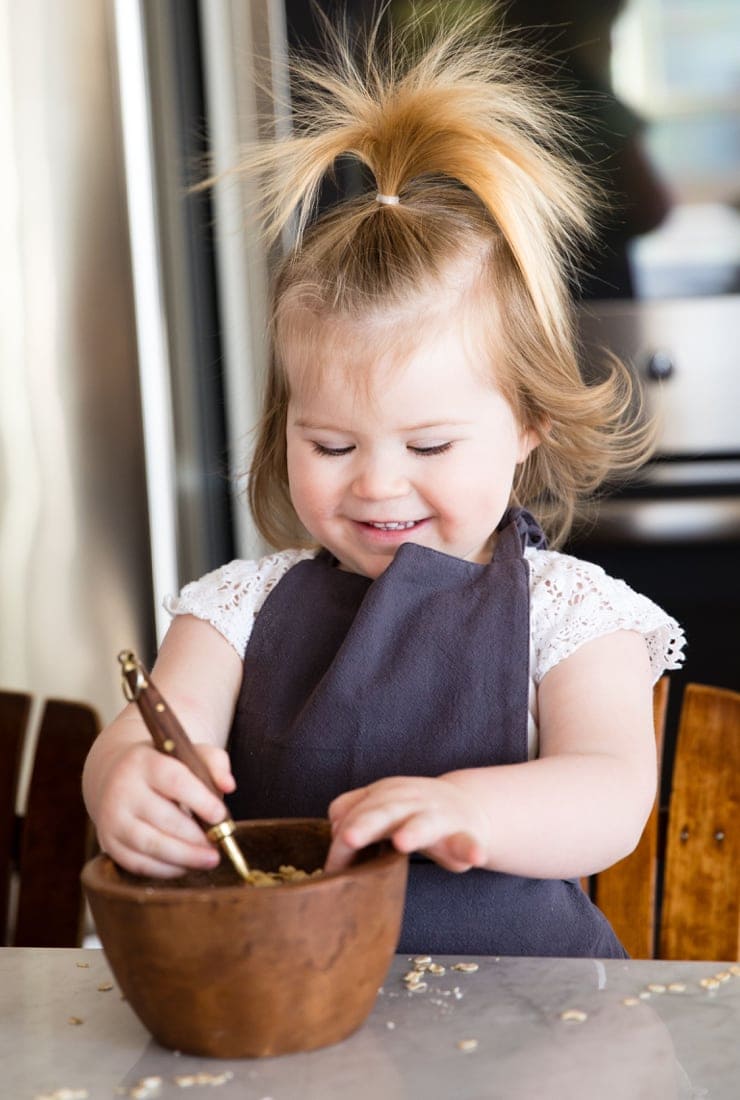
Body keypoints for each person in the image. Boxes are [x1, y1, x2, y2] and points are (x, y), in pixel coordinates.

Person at [83, 14, 684, 957]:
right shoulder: (238, 609)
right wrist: (124, 781)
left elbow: (610, 795)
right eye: (329, 445)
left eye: (432, 446)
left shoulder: (569, 614)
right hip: (285, 1006)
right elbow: (148, 730)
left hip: (530, 1030)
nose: (376, 483)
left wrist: (463, 809)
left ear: (530, 424)